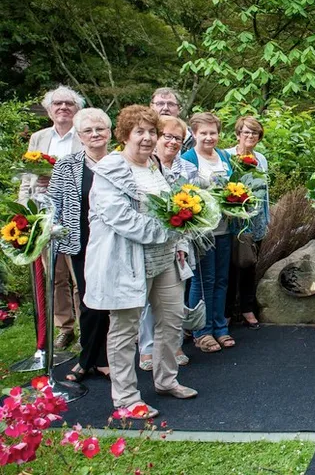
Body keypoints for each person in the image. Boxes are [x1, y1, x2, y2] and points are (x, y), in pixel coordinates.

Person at [85, 105, 197, 419]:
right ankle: (126, 398)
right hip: (127, 261)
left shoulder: (155, 165)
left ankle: (166, 380)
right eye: (140, 132)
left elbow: (174, 209)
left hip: (165, 259)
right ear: (125, 135)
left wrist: (180, 238)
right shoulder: (111, 169)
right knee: (125, 330)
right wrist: (169, 230)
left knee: (172, 320)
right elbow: (121, 218)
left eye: (151, 132)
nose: (147, 138)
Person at [47, 108, 112, 382]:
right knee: (89, 300)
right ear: (80, 136)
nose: (95, 134)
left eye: (100, 129)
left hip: (114, 243)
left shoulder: (119, 162)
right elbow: (53, 202)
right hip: (81, 243)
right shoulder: (67, 165)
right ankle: (88, 359)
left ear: (109, 133)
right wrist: (50, 228)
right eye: (88, 130)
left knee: (110, 302)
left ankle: (104, 359)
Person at [19, 85, 84, 351]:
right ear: (49, 110)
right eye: (58, 103)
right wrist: (25, 209)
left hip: (76, 214)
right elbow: (27, 177)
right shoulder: (39, 138)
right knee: (55, 276)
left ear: (77, 109)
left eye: (69, 103)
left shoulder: (84, 135)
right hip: (45, 215)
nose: (63, 107)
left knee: (79, 275)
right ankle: (65, 328)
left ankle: (86, 328)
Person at [138, 116, 197, 371]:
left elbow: (194, 207)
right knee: (145, 299)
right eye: (167, 136)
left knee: (173, 299)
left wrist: (183, 242)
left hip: (177, 240)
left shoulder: (188, 169)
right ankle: (147, 348)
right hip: (147, 241)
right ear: (157, 137)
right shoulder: (144, 165)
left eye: (178, 138)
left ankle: (174, 346)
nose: (172, 142)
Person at [182, 113, 236, 353]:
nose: (208, 137)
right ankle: (201, 331)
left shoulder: (224, 157)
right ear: (194, 134)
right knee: (203, 280)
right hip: (201, 231)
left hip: (223, 228)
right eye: (203, 133)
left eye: (213, 132)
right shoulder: (188, 159)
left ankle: (219, 326)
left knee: (222, 279)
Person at [224, 116, 270, 330]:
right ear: (238, 134)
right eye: (246, 132)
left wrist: (266, 219)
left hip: (256, 221)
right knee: (230, 268)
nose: (250, 136)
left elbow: (265, 192)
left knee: (249, 264)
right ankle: (226, 311)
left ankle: (247, 308)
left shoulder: (261, 159)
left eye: (255, 133)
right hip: (233, 221)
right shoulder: (227, 156)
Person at [150, 87, 194, 152]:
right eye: (160, 104)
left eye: (170, 104)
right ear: (151, 107)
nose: (165, 108)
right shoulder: (143, 133)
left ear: (179, 109)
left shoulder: (192, 137)